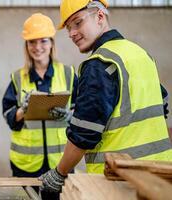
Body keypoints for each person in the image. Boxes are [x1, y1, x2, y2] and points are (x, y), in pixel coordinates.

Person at [39, 0, 172, 194]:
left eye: (77, 23)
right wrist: (76, 116)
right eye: (68, 28)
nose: (72, 33)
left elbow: (84, 135)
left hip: (120, 181)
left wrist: (59, 173)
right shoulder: (140, 54)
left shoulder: (99, 64)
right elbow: (158, 106)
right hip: (161, 176)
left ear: (100, 17)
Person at [2, 13, 78, 199]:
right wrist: (23, 110)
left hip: (61, 163)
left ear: (52, 43)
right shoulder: (18, 78)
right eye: (32, 42)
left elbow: (84, 112)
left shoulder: (68, 74)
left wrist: (70, 116)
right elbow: (8, 115)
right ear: (26, 46)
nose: (37, 47)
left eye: (43, 41)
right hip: (26, 164)